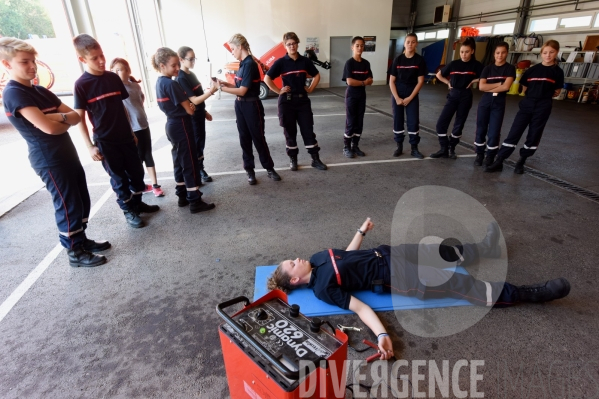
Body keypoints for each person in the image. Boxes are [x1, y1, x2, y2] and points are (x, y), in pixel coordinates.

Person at [268, 218, 570, 359]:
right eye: (291, 264)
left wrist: (360, 232)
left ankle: (485, 249)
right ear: (294, 280)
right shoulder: (322, 288)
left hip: (390, 252)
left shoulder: (319, 258)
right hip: (397, 277)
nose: (296, 258)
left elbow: (344, 255)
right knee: (459, 284)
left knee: (439, 249)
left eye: (292, 259)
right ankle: (527, 294)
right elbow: (360, 308)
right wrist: (383, 335)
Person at [1, 37, 108, 267]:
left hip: (66, 153)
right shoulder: (14, 93)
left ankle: (81, 240)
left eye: (33, 61)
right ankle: (74, 253)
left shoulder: (40, 91)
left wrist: (56, 117)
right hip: (49, 160)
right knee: (67, 204)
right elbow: (49, 128)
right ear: (7, 64)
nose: (32, 66)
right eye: (24, 62)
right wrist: (58, 120)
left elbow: (75, 116)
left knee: (80, 199)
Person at [73, 34, 159, 229]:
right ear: (82, 59)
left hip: (126, 138)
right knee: (119, 179)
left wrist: (131, 132)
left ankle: (137, 203)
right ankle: (128, 210)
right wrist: (90, 147)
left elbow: (123, 108)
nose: (102, 61)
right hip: (105, 142)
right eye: (95, 58)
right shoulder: (82, 85)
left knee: (137, 174)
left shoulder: (112, 78)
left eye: (102, 55)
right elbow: (79, 118)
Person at [152, 47, 216, 213]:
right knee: (189, 162)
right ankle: (195, 200)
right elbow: (189, 109)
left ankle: (182, 195)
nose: (177, 68)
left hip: (172, 124)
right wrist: (194, 106)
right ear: (162, 65)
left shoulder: (160, 82)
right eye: (173, 65)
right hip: (181, 125)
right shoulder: (172, 84)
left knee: (179, 161)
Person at [485, 40, 564, 174]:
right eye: (545, 52)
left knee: (534, 134)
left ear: (556, 53)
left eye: (551, 52)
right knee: (514, 132)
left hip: (543, 106)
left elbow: (557, 90)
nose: (548, 55)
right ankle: (500, 160)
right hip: (527, 104)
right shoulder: (532, 70)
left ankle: (522, 161)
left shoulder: (558, 72)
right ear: (541, 54)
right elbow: (524, 88)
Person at [217, 34, 281, 185]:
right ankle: (250, 170)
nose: (232, 52)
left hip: (251, 106)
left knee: (258, 138)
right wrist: (224, 84)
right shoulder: (242, 64)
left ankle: (269, 168)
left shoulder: (250, 64)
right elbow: (238, 87)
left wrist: (221, 89)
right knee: (244, 139)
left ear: (240, 47)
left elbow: (243, 91)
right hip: (240, 106)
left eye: (233, 49)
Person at [264, 32, 327, 171]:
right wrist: (279, 90)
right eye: (288, 44)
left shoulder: (305, 61)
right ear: (285, 46)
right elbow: (267, 78)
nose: (292, 46)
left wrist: (310, 89)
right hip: (287, 103)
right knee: (290, 132)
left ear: (298, 43)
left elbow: (317, 75)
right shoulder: (280, 62)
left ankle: (315, 159)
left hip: (303, 101)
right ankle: (293, 160)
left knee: (308, 131)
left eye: (294, 43)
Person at [110, 57, 165, 197]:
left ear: (128, 70)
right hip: (130, 129)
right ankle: (138, 186)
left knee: (148, 155)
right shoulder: (115, 89)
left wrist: (139, 113)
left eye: (120, 69)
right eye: (114, 70)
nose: (117, 73)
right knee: (136, 159)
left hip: (143, 125)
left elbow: (141, 99)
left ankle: (155, 185)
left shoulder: (134, 86)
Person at [431, 38, 483, 159]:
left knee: (459, 125)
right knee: (441, 123)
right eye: (462, 52)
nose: (464, 54)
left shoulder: (476, 65)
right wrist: (448, 83)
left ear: (472, 51)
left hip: (466, 96)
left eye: (467, 52)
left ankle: (452, 148)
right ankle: (443, 148)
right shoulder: (454, 64)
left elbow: (486, 76)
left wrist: (475, 80)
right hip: (453, 95)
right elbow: (439, 75)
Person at [473, 42, 516, 168]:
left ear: (507, 53)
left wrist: (489, 87)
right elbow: (481, 86)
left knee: (494, 131)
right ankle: (479, 154)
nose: (500, 55)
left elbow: (507, 86)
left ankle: (490, 155)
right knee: (481, 129)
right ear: (494, 54)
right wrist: (498, 84)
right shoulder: (487, 68)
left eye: (503, 53)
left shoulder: (509, 69)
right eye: (498, 53)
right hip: (485, 102)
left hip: (498, 103)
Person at [176, 46, 213, 183]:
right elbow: (195, 100)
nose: (193, 62)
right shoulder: (181, 78)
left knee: (200, 142)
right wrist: (212, 91)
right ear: (181, 59)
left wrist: (204, 111)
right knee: (196, 144)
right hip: (191, 117)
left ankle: (200, 167)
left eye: (194, 58)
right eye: (190, 59)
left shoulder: (191, 74)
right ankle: (197, 170)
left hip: (198, 114)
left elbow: (198, 95)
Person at [388, 33, 427, 159]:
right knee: (398, 120)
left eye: (413, 42)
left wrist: (410, 97)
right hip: (398, 92)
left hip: (412, 93)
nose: (410, 44)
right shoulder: (398, 60)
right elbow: (391, 81)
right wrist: (397, 98)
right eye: (408, 42)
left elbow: (420, 81)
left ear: (417, 44)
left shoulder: (419, 60)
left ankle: (414, 148)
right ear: (404, 43)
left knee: (413, 121)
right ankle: (399, 146)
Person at [341, 36, 373, 158]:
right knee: (351, 122)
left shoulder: (366, 64)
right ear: (352, 47)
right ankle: (346, 147)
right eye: (357, 45)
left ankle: (355, 146)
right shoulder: (349, 63)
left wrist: (362, 82)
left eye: (362, 45)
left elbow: (371, 80)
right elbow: (350, 82)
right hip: (351, 96)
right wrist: (364, 82)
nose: (360, 48)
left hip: (361, 96)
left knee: (359, 122)